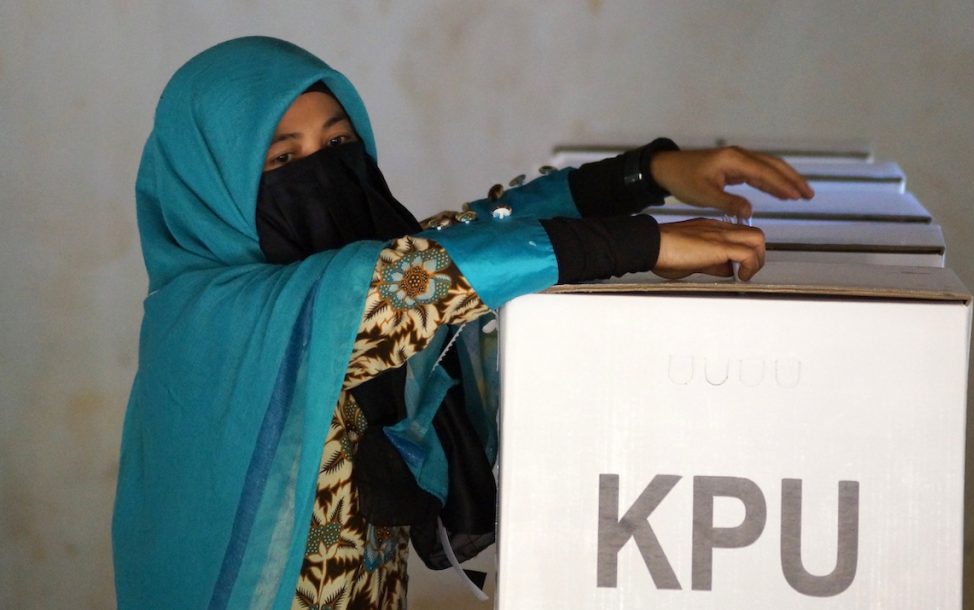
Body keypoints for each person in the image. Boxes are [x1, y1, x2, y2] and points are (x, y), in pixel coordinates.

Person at [112, 36, 812, 610]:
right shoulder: (219, 313)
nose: (323, 173)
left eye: (340, 142)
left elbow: (474, 234)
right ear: (211, 188)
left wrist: (649, 174)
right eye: (284, 160)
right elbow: (423, 277)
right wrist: (641, 244)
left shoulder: (349, 280)